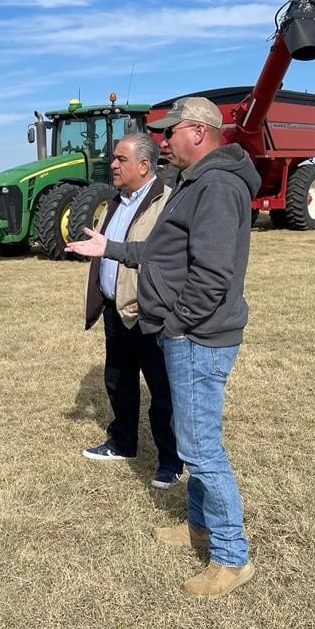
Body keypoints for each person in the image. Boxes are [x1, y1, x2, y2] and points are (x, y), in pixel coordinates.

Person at [66, 97, 260, 597]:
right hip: (188, 333)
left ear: (198, 132)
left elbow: (212, 275)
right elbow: (162, 251)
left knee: (201, 447)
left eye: (171, 131)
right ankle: (199, 526)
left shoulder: (217, 186)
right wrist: (109, 248)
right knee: (191, 437)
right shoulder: (194, 181)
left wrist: (177, 325)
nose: (164, 140)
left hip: (197, 337)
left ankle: (231, 557)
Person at [81, 133, 181, 489]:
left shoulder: (168, 202)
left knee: (162, 389)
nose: (113, 165)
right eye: (114, 158)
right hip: (116, 309)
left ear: (143, 165)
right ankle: (123, 443)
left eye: (121, 159)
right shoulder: (115, 201)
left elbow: (162, 256)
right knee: (119, 380)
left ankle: (170, 461)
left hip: (149, 312)